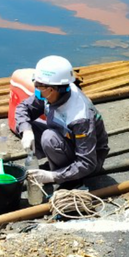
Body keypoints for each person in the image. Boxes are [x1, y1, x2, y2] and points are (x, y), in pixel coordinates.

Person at [15, 55, 109, 188]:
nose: (36, 87)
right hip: (65, 138)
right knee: (29, 126)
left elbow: (87, 162)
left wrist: (53, 176)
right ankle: (58, 165)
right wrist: (26, 130)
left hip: (89, 160)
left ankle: (68, 178)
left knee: (49, 137)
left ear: (51, 89)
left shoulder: (80, 117)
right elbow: (23, 108)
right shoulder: (51, 93)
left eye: (38, 85)